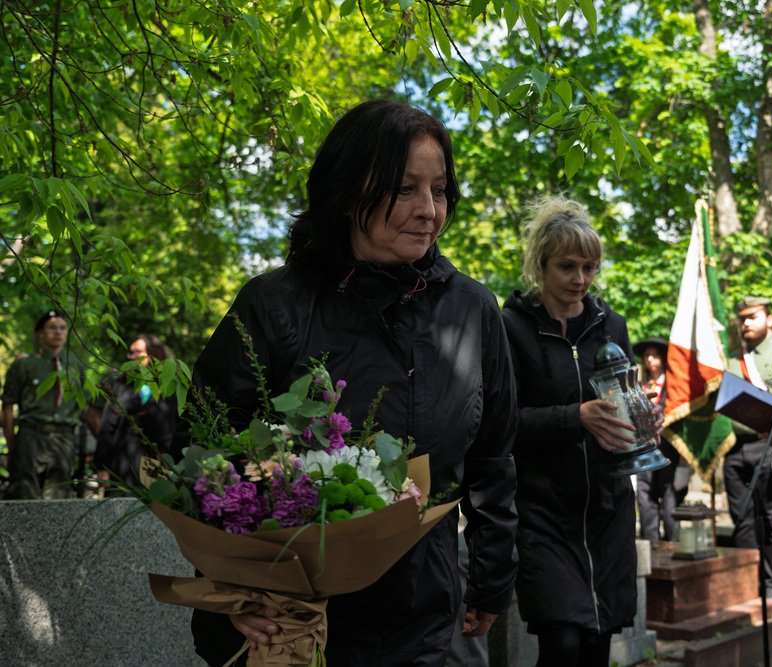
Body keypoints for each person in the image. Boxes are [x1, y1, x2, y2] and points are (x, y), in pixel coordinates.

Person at [177, 99, 519, 666]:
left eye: (439, 190)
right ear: (347, 189)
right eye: (405, 188)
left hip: (420, 616)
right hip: (286, 617)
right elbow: (204, 453)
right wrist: (231, 589)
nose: (428, 210)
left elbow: (492, 459)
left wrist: (491, 578)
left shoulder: (474, 311)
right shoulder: (275, 305)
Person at [502, 196, 651, 667]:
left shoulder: (612, 327)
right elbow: (502, 423)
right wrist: (574, 417)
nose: (580, 279)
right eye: (567, 266)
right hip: (544, 511)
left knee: (595, 644)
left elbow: (625, 406)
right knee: (562, 642)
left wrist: (646, 424)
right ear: (540, 263)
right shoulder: (510, 328)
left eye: (590, 267)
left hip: (606, 509)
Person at [723, 295, 772, 600]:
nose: (746, 323)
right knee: (742, 518)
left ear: (769, 319)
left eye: (753, 317)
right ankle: (748, 582)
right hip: (735, 447)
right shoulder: (730, 358)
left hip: (769, 445)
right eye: (742, 318)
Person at [1, 310, 99, 499]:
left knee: (59, 498)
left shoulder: (75, 366)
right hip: (31, 436)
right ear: (40, 333)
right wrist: (12, 446)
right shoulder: (25, 364)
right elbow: (7, 407)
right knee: (24, 496)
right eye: (52, 327)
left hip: (63, 439)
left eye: (62, 328)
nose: (58, 332)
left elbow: (81, 404)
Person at [93, 334, 178, 492]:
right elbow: (107, 426)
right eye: (131, 353)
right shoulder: (122, 384)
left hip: (161, 462)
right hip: (125, 463)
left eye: (138, 352)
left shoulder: (171, 384)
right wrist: (101, 467)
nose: (133, 357)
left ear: (153, 353)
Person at [633, 336, 688, 541]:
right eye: (647, 356)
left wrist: (684, 464)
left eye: (655, 355)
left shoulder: (675, 388)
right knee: (645, 497)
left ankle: (673, 545)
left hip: (669, 451)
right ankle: (651, 546)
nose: (650, 360)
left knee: (670, 498)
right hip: (644, 451)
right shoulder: (638, 386)